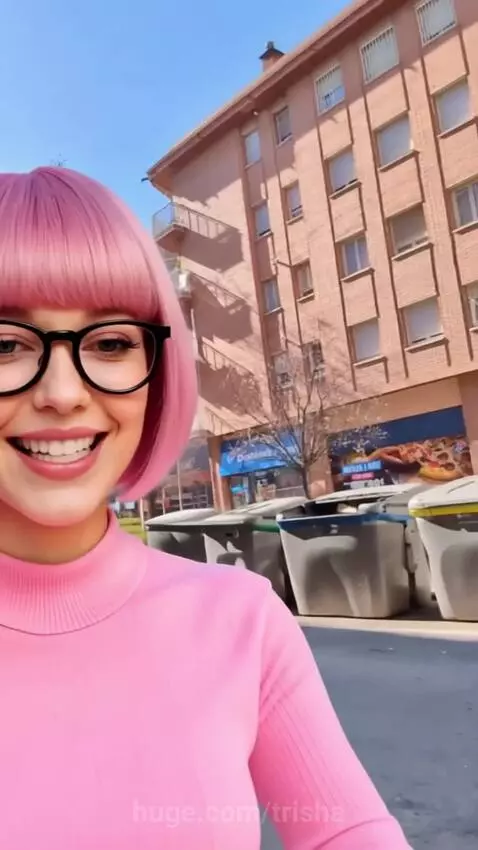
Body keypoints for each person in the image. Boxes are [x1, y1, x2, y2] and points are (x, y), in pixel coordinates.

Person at [0, 166, 412, 849]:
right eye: (7, 344)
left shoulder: (241, 620)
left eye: (110, 343)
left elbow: (345, 831)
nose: (64, 394)